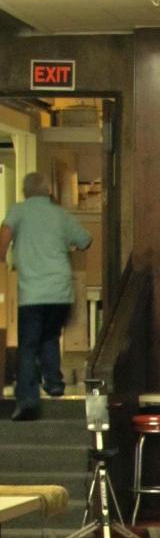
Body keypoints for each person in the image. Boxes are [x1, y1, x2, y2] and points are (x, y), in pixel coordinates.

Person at [0, 170, 91, 421]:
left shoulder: (18, 211)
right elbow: (85, 240)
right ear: (48, 191)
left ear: (24, 191)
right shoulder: (59, 214)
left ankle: (28, 398)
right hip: (60, 290)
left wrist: (2, 264)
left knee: (28, 345)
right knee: (50, 336)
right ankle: (54, 384)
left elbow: (4, 237)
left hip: (31, 291)